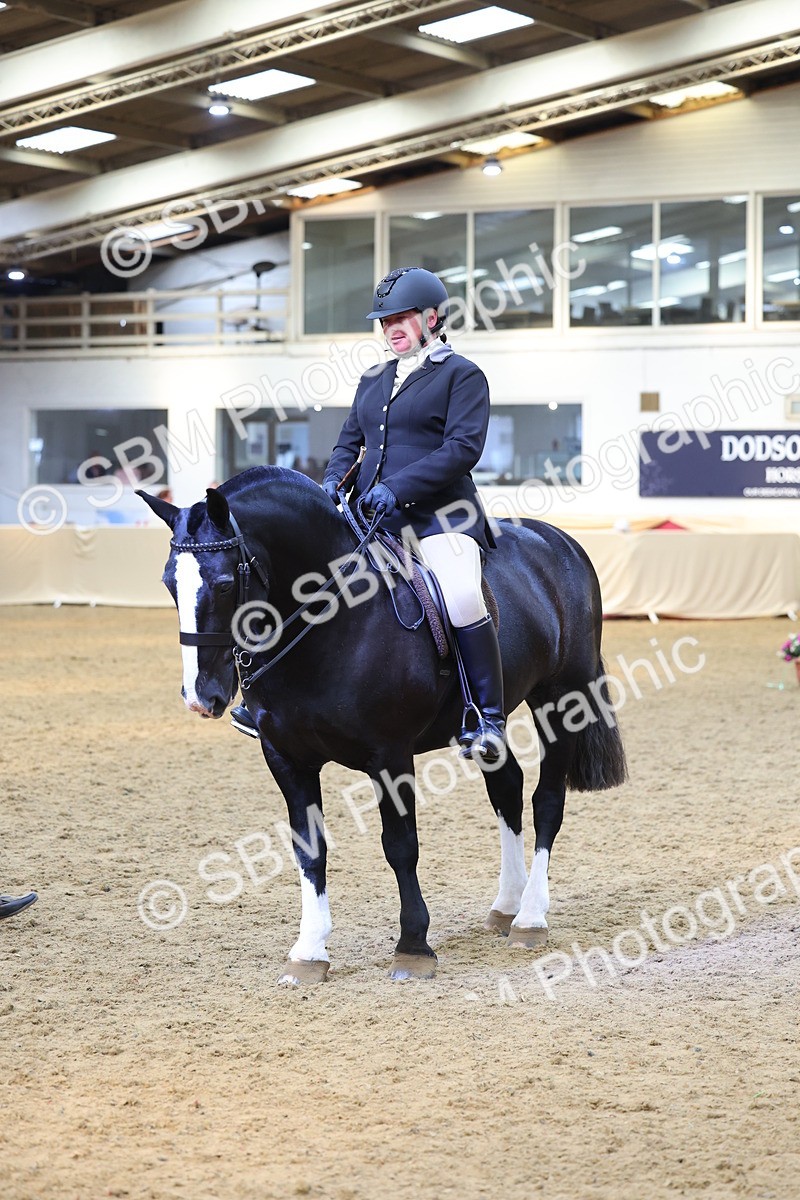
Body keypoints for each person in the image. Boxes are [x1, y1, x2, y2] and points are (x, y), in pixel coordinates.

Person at [230, 266, 505, 763]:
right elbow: (348, 443)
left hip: (441, 516)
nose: (391, 328)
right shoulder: (374, 378)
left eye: (401, 318)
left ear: (432, 318)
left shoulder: (462, 375)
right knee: (308, 582)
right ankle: (273, 699)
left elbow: (463, 449)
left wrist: (397, 487)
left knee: (463, 593)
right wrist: (331, 483)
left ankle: (486, 717)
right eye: (385, 321)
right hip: (371, 516)